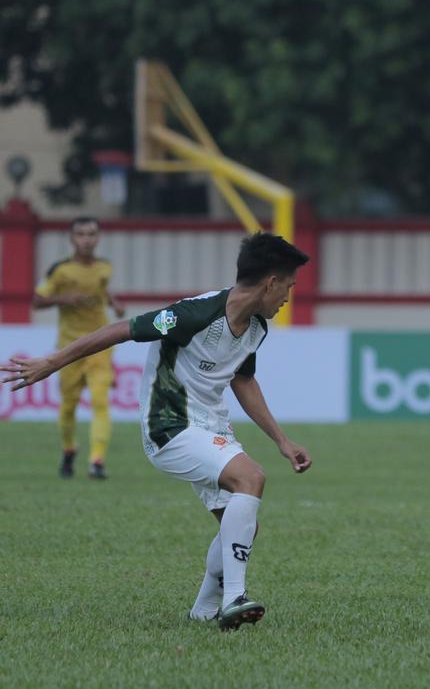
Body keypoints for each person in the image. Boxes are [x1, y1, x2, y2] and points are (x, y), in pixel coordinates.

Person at [3, 233, 313, 630]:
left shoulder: (256, 328)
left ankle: (203, 610)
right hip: (168, 424)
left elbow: (243, 379)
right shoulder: (193, 315)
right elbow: (121, 329)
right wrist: (52, 362)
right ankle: (235, 598)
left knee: (240, 522)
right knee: (250, 478)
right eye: (288, 285)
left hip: (211, 425)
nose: (289, 296)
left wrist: (282, 441)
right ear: (270, 282)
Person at [33, 217, 126, 479]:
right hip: (69, 348)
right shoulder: (60, 270)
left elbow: (102, 290)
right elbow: (37, 301)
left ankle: (96, 461)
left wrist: (114, 304)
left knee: (100, 401)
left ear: (98, 238)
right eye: (81, 234)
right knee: (68, 406)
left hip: (100, 344)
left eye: (91, 234)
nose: (87, 239)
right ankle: (69, 448)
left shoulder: (104, 267)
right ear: (72, 239)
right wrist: (64, 298)